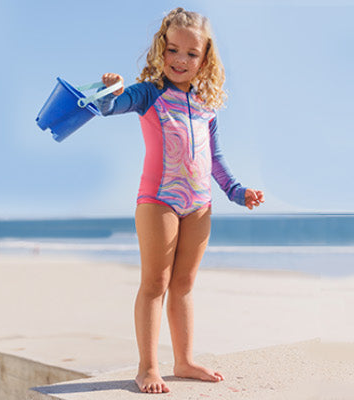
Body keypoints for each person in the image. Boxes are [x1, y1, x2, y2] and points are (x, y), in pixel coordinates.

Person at [92, 7, 265, 394]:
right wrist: (111, 89)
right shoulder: (149, 92)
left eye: (191, 53)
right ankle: (148, 367)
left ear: (205, 58)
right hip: (159, 200)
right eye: (173, 50)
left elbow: (215, 159)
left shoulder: (206, 102)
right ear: (161, 49)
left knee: (184, 284)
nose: (180, 60)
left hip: (200, 203)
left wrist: (238, 192)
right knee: (156, 282)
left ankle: (184, 361)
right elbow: (110, 106)